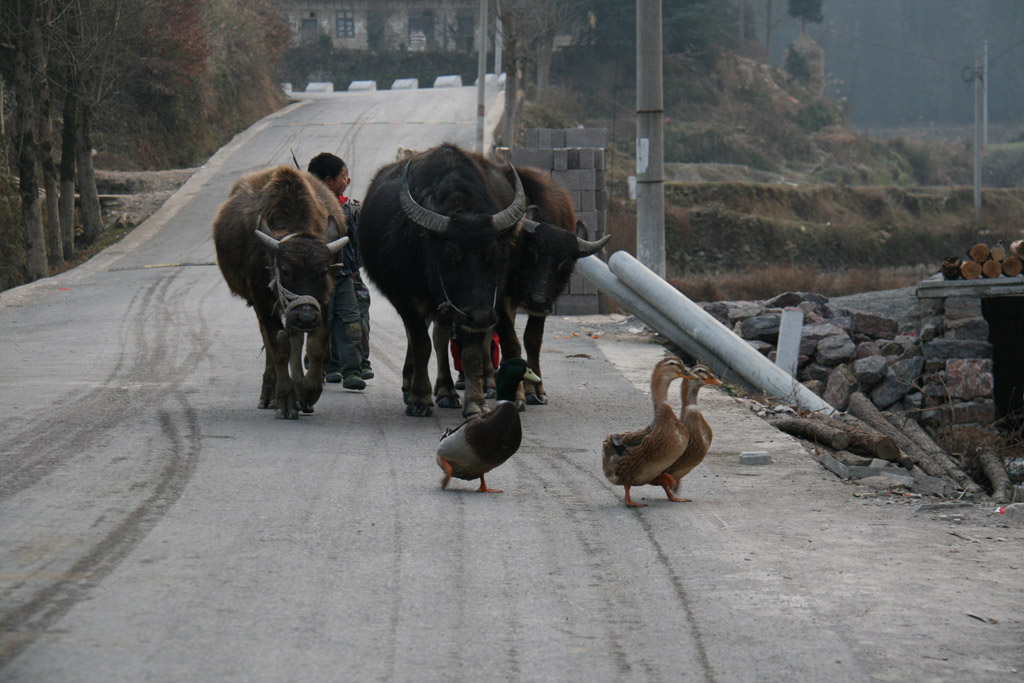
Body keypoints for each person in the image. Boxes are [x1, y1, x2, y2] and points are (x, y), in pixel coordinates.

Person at [307, 152, 373, 389]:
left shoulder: (350, 209)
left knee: (350, 321)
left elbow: (355, 243)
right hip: (316, 278)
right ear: (327, 181)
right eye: (343, 177)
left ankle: (352, 371)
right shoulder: (307, 209)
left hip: (344, 276)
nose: (348, 181)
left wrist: (354, 269)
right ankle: (323, 365)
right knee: (320, 321)